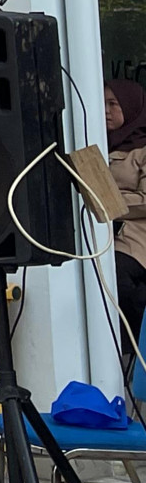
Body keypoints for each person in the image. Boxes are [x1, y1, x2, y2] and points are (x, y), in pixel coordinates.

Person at [104, 80, 146, 362]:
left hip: (135, 233)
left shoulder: (142, 149)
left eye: (113, 104)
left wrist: (109, 203)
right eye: (102, 103)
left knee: (115, 273)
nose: (105, 111)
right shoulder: (90, 141)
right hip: (99, 230)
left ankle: (133, 347)